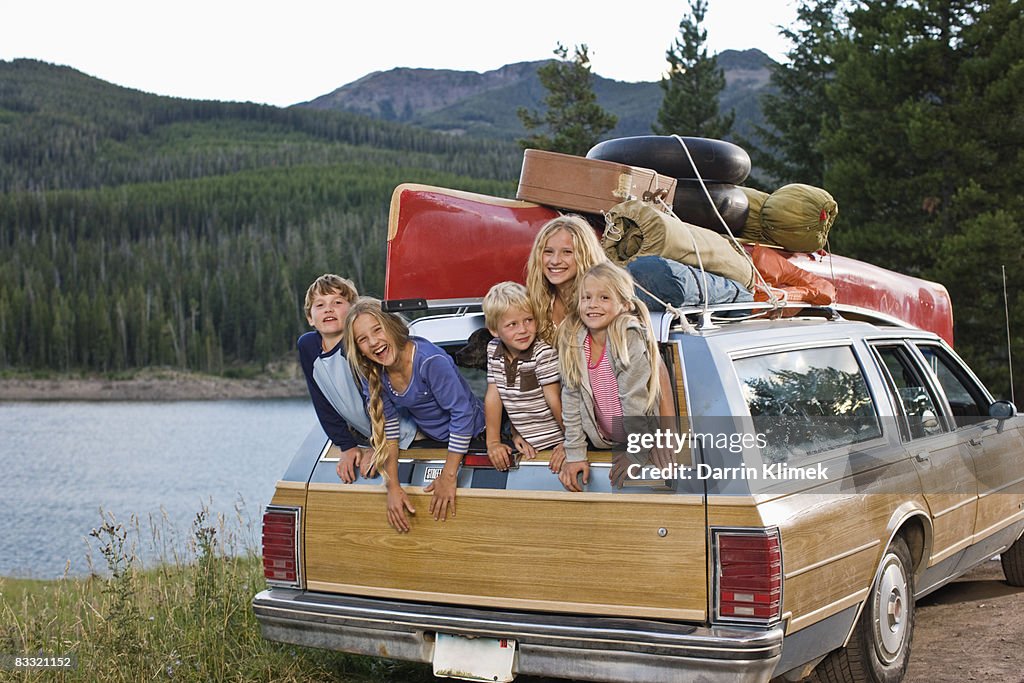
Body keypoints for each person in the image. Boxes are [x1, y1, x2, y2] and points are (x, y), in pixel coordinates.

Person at [345, 298, 485, 532]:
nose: (373, 342)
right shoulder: (373, 373)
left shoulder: (429, 361)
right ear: (358, 348)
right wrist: (392, 487)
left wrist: (448, 476)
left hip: (475, 436)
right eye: (362, 339)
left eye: (377, 330)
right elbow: (390, 430)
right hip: (434, 439)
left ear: (391, 325)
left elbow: (462, 415)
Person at [524, 214, 676, 421]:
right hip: (573, 428)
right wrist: (518, 430)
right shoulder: (536, 306)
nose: (555, 261)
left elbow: (655, 366)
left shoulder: (607, 305)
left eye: (567, 252)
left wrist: (669, 434)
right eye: (547, 252)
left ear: (584, 254)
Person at [297, 274, 417, 484]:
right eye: (320, 305)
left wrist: (379, 447)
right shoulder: (308, 347)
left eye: (337, 302)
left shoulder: (362, 346)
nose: (328, 309)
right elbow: (322, 402)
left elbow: (384, 401)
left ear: (353, 312)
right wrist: (346, 445)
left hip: (406, 431)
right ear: (309, 317)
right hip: (375, 435)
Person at [557, 262, 662, 492]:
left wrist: (636, 454)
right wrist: (575, 453)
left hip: (637, 439)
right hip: (602, 442)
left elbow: (634, 399)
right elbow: (571, 402)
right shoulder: (574, 341)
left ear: (624, 305)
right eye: (586, 298)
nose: (592, 305)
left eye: (604, 298)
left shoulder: (627, 337)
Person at [481, 281, 565, 473]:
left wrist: (572, 443)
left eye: (529, 320)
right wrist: (493, 442)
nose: (523, 329)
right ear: (494, 330)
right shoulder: (493, 349)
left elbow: (555, 400)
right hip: (529, 449)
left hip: (558, 443)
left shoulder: (542, 352)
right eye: (512, 324)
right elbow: (494, 397)